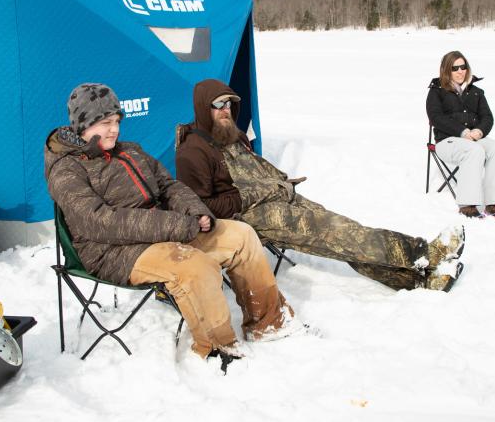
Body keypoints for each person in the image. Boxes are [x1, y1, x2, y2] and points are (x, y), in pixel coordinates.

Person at [45, 83, 300, 368]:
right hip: (113, 251)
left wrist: (196, 212)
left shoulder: (130, 150)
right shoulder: (66, 169)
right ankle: (218, 348)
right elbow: (99, 221)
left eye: (117, 121)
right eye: (105, 123)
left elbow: (168, 186)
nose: (114, 130)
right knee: (193, 265)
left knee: (241, 235)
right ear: (83, 124)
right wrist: (178, 225)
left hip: (162, 232)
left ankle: (268, 323)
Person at [174, 79, 465, 293]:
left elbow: (254, 170)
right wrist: (263, 192)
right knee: (337, 234)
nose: (226, 110)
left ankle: (417, 280)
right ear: (203, 107)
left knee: (344, 231)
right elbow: (204, 207)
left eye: (229, 104)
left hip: (279, 196)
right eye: (218, 105)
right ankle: (424, 252)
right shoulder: (193, 152)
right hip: (248, 217)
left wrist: (279, 183)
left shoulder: (230, 135)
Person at [426, 51, 495, 218]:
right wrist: (462, 132)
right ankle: (467, 206)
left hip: (474, 138)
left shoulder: (476, 91)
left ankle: (493, 203)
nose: (459, 71)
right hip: (447, 142)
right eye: (454, 68)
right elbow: (436, 117)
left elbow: (487, 117)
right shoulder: (437, 91)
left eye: (463, 67)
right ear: (446, 70)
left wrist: (479, 131)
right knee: (474, 151)